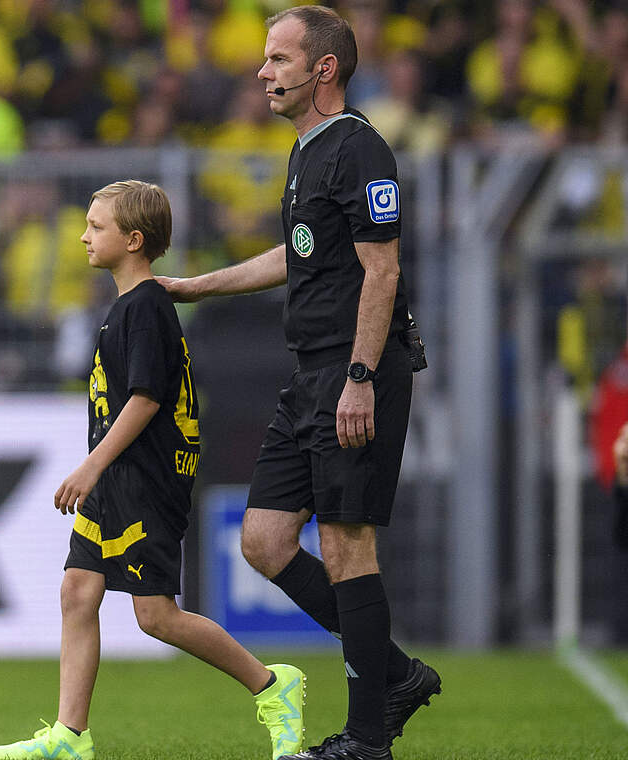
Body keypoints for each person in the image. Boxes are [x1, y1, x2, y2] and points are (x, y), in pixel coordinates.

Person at [158, 8, 440, 759]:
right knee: (264, 540)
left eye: (279, 58)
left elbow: (383, 272)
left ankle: (367, 740)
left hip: (356, 374)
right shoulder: (306, 150)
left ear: (324, 69)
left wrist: (358, 378)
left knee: (349, 546)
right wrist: (200, 285)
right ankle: (398, 674)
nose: (262, 71)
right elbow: (299, 252)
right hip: (310, 372)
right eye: (263, 57)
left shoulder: (361, 149)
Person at [0, 180, 307, 760]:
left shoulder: (146, 307)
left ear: (134, 241)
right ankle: (69, 736)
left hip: (145, 483)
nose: (83, 235)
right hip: (118, 480)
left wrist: (91, 465)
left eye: (96, 226)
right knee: (77, 591)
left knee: (156, 617)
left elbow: (146, 398)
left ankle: (272, 684)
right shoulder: (128, 306)